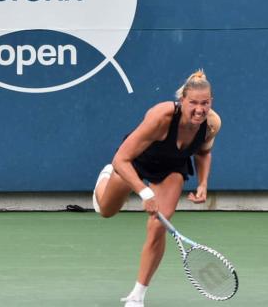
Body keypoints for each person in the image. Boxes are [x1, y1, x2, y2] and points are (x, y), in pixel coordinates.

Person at [92, 70, 221, 307]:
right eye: (193, 103)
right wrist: (144, 191)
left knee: (158, 226)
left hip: (171, 168)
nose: (199, 109)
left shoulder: (212, 123)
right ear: (182, 100)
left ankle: (137, 295)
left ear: (211, 101)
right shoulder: (161, 116)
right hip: (135, 161)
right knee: (106, 210)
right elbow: (122, 158)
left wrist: (203, 183)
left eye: (205, 103)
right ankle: (105, 178)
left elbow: (203, 153)